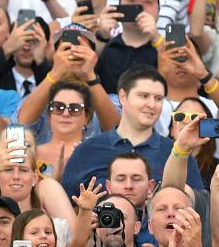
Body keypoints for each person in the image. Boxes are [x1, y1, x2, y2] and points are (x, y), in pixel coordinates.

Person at [61, 65, 203, 198]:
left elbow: (198, 206)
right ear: (123, 97)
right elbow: (67, 210)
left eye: (158, 98)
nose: (152, 105)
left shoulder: (178, 154)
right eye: (143, 96)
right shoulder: (87, 151)